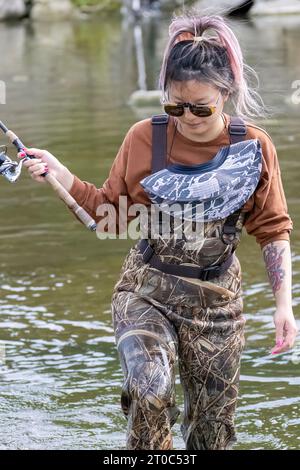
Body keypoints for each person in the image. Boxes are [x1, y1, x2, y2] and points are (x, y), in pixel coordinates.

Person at [18, 12, 298, 450]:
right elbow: (106, 211)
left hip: (218, 304)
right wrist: (60, 172)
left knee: (211, 434)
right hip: (146, 290)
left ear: (226, 95)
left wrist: (284, 308)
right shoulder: (145, 137)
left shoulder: (253, 146)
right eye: (175, 106)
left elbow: (273, 228)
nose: (187, 117)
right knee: (150, 393)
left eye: (200, 108)